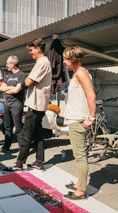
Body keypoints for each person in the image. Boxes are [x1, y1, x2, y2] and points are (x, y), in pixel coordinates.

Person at [3, 38, 52, 172]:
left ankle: (19, 163)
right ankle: (39, 162)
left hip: (36, 104)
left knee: (26, 134)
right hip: (39, 103)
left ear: (38, 49)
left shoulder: (42, 62)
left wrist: (23, 82)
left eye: (31, 50)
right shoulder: (42, 62)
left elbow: (28, 82)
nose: (30, 53)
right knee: (38, 134)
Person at [62, 46, 96, 200]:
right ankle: (79, 183)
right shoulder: (77, 72)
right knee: (78, 154)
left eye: (66, 59)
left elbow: (91, 96)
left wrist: (91, 117)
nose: (64, 61)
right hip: (75, 119)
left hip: (78, 120)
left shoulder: (81, 73)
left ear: (73, 60)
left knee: (80, 155)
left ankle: (81, 190)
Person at [0, 56, 27, 154]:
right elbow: (1, 88)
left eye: (7, 63)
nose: (6, 65)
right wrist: (11, 87)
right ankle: (6, 147)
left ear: (13, 64)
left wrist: (9, 88)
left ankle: (22, 150)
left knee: (18, 128)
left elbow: (17, 90)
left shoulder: (22, 75)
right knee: (7, 127)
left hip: (16, 105)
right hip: (7, 104)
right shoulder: (8, 76)